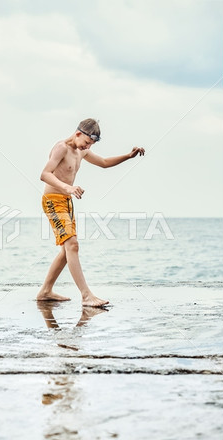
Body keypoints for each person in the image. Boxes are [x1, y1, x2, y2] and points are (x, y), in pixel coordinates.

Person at [37, 118, 145, 307]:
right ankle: (86, 295)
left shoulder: (81, 150)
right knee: (73, 245)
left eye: (91, 145)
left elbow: (103, 162)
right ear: (78, 133)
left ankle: (46, 291)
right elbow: (45, 174)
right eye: (87, 142)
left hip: (67, 202)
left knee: (66, 250)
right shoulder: (61, 147)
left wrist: (128, 156)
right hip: (53, 201)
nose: (87, 147)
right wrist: (66, 187)